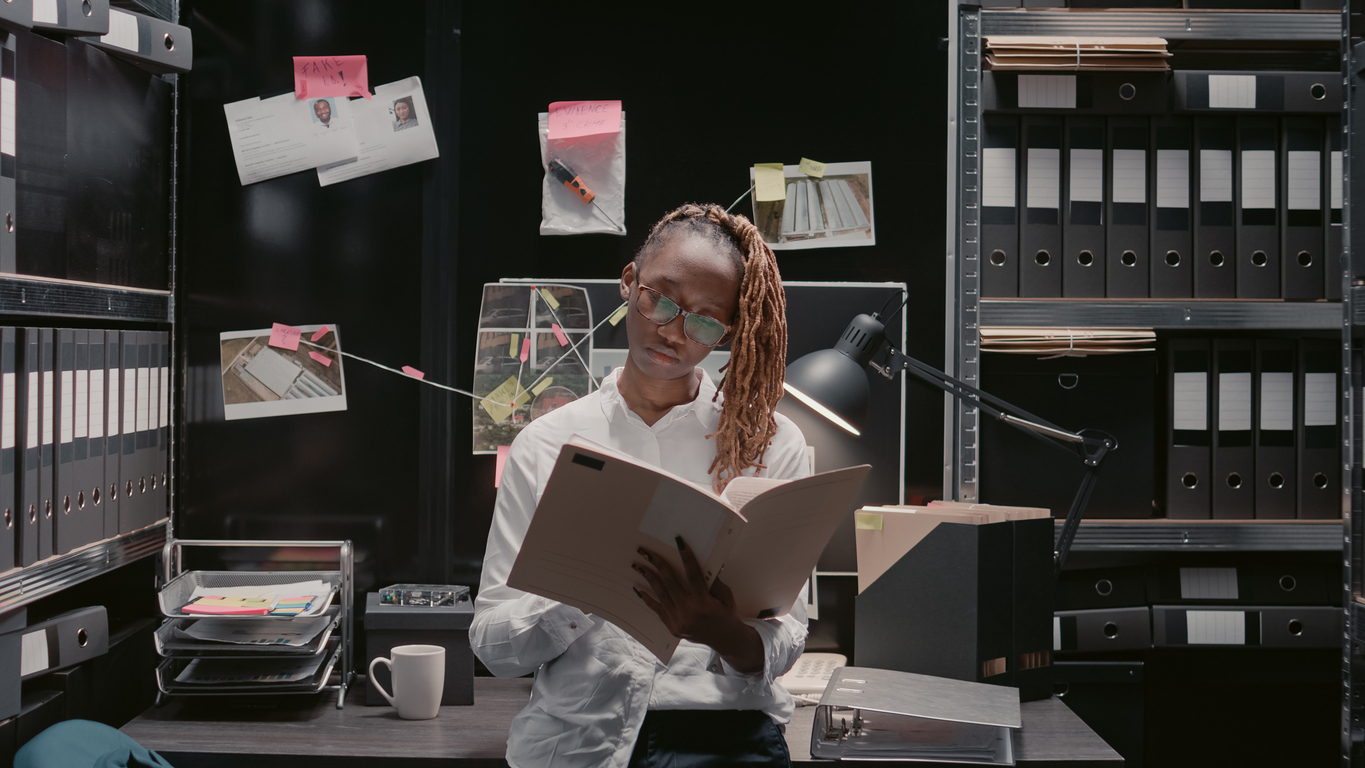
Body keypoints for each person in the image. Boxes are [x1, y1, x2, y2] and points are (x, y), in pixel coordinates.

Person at [472, 203, 809, 768]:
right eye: (662, 300)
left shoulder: (769, 445)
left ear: (727, 332)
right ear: (630, 282)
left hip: (725, 739)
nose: (674, 333)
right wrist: (582, 592)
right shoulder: (546, 443)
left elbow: (789, 637)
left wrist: (723, 631)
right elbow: (493, 647)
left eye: (704, 320)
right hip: (577, 742)